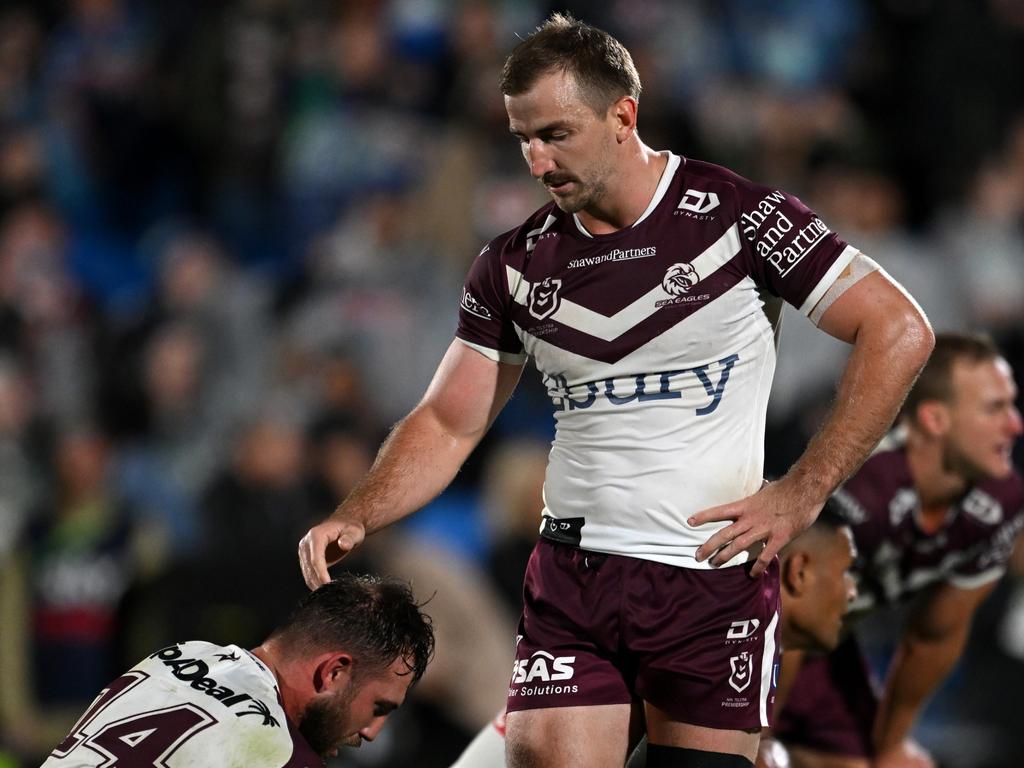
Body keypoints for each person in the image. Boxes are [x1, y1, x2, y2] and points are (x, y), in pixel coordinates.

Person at [298, 13, 933, 768]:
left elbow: (898, 329)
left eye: (556, 134)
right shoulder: (513, 264)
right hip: (574, 581)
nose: (536, 160)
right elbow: (449, 420)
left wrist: (803, 490)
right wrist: (361, 510)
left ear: (623, 115)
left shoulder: (739, 217)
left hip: (710, 581)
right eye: (522, 138)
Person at [772, 332, 1024, 768]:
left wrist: (890, 746)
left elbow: (934, 637)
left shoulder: (998, 505)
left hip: (820, 644)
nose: (1015, 424)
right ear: (934, 419)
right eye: (994, 408)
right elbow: (787, 611)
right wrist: (756, 737)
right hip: (748, 630)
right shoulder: (865, 484)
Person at [450, 506, 859, 768]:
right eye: (846, 573)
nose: (854, 592)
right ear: (800, 571)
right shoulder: (686, 647)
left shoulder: (754, 660)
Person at [39, 572, 435, 766]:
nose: (371, 731)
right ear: (334, 672)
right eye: (379, 708)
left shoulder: (181, 654)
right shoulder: (276, 753)